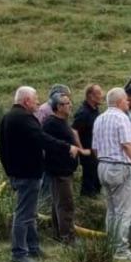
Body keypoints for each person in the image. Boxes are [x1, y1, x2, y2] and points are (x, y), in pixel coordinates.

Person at [92, 87, 131, 262]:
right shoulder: (121, 118)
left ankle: (111, 243)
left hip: (102, 165)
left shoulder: (99, 119)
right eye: (125, 100)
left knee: (112, 209)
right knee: (124, 210)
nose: (128, 102)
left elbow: (95, 147)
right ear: (118, 102)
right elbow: (127, 145)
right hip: (119, 166)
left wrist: (103, 161)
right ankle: (121, 249)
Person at [0, 86, 48, 262]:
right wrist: (65, 147)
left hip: (17, 173)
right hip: (28, 173)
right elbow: (41, 138)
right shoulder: (24, 119)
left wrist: (9, 171)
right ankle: (19, 252)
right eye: (35, 99)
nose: (38, 102)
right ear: (26, 101)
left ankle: (33, 247)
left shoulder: (7, 118)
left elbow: (2, 149)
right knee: (24, 214)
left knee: (30, 212)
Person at [41, 87, 84, 242]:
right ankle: (68, 237)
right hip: (59, 171)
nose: (70, 105)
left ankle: (59, 234)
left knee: (58, 203)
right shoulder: (51, 123)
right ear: (58, 107)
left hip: (64, 170)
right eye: (66, 103)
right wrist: (67, 149)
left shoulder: (61, 122)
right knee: (66, 204)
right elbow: (48, 144)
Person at [72, 83, 104, 197]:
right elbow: (74, 130)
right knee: (90, 174)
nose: (102, 95)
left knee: (97, 174)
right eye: (99, 93)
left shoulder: (95, 110)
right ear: (90, 95)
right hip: (88, 149)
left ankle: (95, 196)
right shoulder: (83, 112)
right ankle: (87, 199)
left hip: (96, 148)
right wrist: (81, 149)